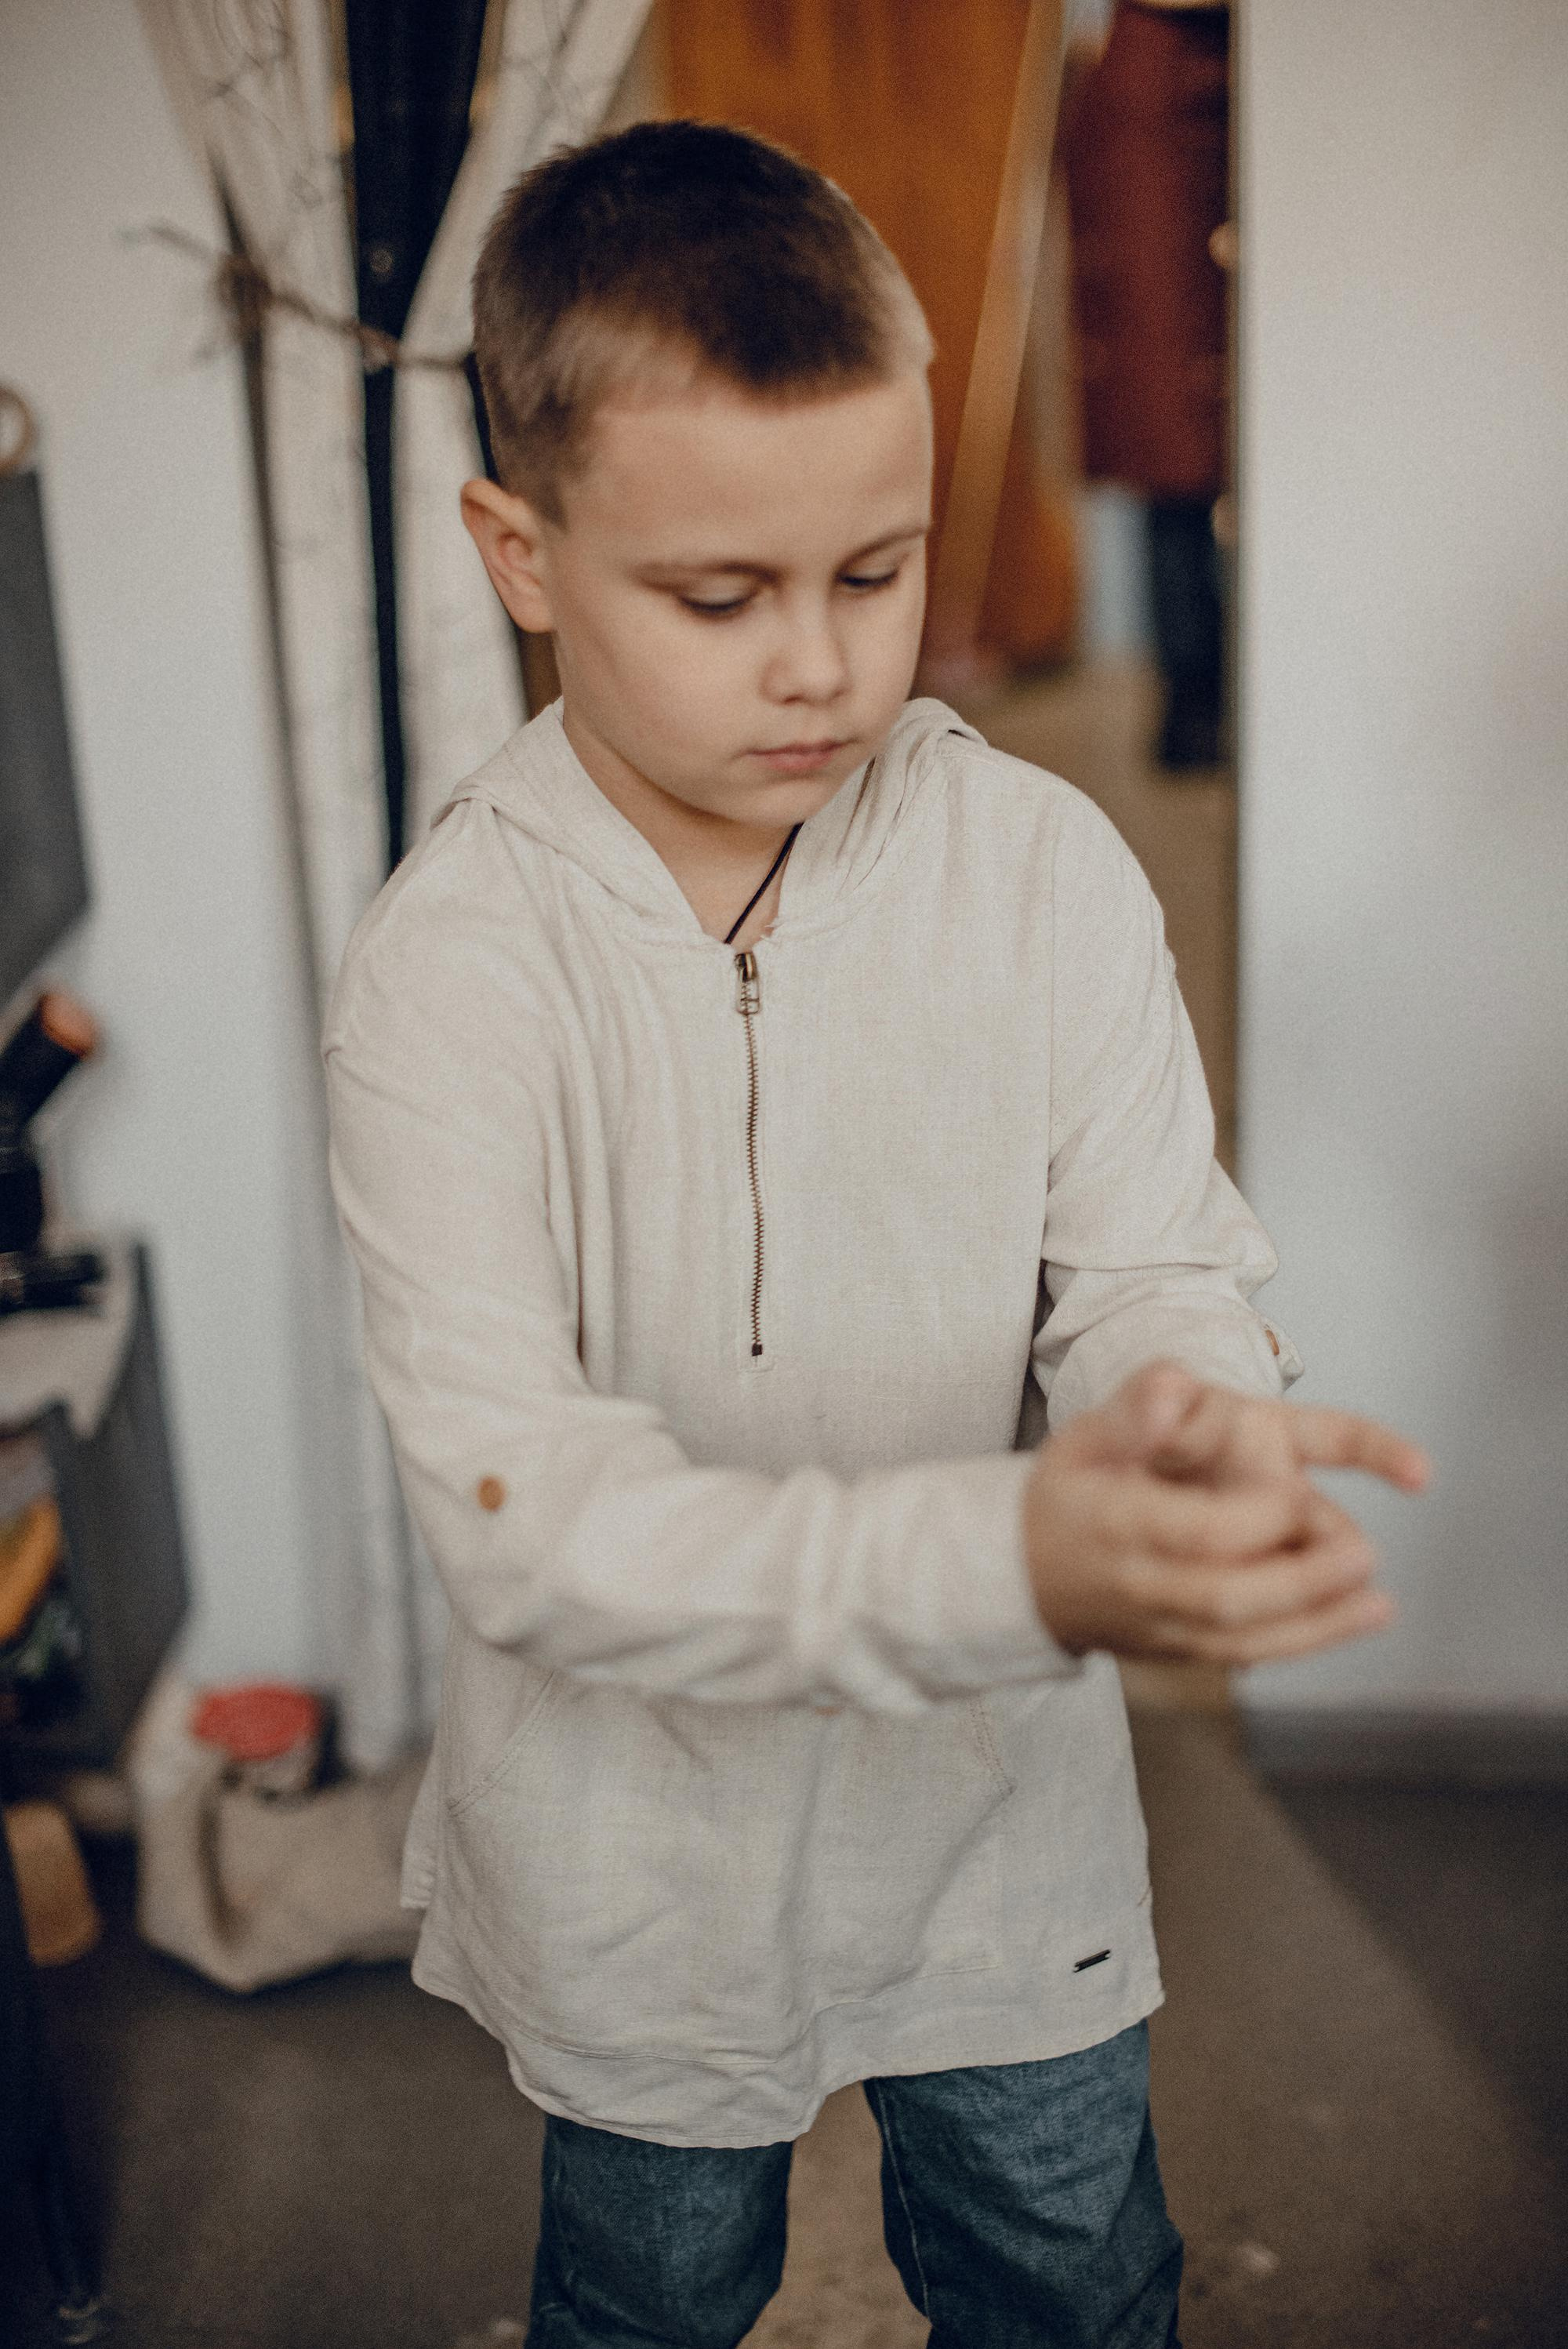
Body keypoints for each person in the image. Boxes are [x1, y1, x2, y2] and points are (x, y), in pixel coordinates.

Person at [322, 121, 1427, 2349]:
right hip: (631, 1847)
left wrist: (1179, 1415)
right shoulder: (449, 973)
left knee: (1073, 2277)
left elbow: (1141, 1260)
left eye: (880, 567)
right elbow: (529, 1520)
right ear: (518, 552)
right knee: (647, 2300)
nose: (820, 666)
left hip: (989, 1818)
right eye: (721, 597)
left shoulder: (1042, 871)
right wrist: (1008, 1561)